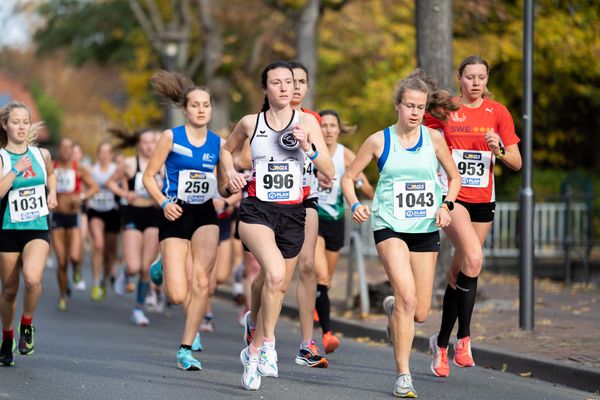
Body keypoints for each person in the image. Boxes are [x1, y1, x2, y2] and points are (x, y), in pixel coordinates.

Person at [341, 72, 461, 398]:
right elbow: (348, 178)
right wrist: (354, 205)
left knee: (420, 312)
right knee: (408, 297)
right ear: (397, 105)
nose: (414, 112)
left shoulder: (434, 140)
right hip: (389, 224)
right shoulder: (379, 141)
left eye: (420, 107)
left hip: (424, 227)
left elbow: (454, 177)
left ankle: (393, 309)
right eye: (409, 105)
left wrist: (446, 205)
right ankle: (404, 375)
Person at [219, 60, 333, 391]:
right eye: (276, 82)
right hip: (256, 210)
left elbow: (328, 170)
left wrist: (308, 148)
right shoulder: (250, 122)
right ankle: (264, 346)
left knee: (276, 284)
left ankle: (255, 345)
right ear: (265, 88)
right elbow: (225, 152)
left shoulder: (308, 123)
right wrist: (231, 173)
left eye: (289, 82)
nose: (284, 87)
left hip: (293, 213)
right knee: (276, 274)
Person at [425, 55, 522, 377]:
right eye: (470, 77)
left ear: (487, 79)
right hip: (454, 197)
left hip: (484, 199)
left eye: (481, 76)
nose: (476, 82)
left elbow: (517, 162)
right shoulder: (446, 110)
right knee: (475, 258)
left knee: (462, 271)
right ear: (460, 78)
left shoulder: (499, 113)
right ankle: (464, 339)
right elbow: (418, 140)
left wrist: (499, 150)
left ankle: (440, 344)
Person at [144, 70, 223, 371]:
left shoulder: (218, 144)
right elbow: (148, 176)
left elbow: (226, 182)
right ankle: (162, 265)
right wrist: (163, 202)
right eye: (195, 105)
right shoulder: (170, 137)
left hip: (204, 213)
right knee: (177, 295)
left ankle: (186, 348)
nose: (201, 109)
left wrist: (233, 186)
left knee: (202, 281)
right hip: (175, 212)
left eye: (206, 105)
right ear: (185, 109)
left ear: (211, 109)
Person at [0, 101, 57, 366]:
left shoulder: (41, 154)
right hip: (8, 229)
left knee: (33, 279)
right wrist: (15, 170)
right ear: (5, 125)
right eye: (16, 122)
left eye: (26, 122)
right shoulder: (1, 157)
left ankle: (26, 324)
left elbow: (51, 174)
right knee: (10, 290)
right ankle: (7, 335)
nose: (21, 127)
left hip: (37, 226)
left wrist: (53, 193)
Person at [314, 109, 374, 353]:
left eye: (332, 125)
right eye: (323, 125)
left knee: (325, 280)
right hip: (312, 217)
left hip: (336, 220)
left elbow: (369, 190)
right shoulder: (310, 153)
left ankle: (317, 304)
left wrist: (358, 182)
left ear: (339, 129)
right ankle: (327, 334)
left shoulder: (347, 156)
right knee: (321, 277)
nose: (328, 130)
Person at [106, 127, 162, 326]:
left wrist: (162, 197)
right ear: (139, 144)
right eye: (145, 142)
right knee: (134, 266)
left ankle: (138, 309)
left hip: (154, 215)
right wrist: (124, 193)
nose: (149, 146)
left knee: (146, 267)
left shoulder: (163, 165)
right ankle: (125, 273)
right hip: (133, 213)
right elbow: (110, 182)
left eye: (153, 143)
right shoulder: (130, 163)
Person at [52, 137, 98, 310]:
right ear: (59, 149)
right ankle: (63, 296)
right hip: (57, 216)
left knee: (75, 257)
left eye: (68, 148)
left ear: (73, 150)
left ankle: (77, 269)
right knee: (62, 261)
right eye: (62, 147)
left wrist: (82, 197)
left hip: (73, 217)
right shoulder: (52, 167)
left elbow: (94, 187)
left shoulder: (78, 168)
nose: (65, 150)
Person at [87, 142, 120, 301]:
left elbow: (125, 185)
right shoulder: (92, 170)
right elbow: (85, 186)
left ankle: (104, 280)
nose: (104, 155)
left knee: (110, 253)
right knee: (98, 245)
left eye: (107, 152)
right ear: (98, 154)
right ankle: (95, 282)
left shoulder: (116, 170)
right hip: (95, 210)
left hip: (112, 211)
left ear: (112, 155)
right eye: (101, 152)